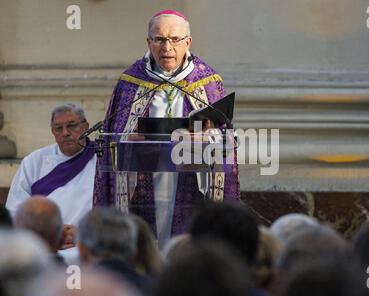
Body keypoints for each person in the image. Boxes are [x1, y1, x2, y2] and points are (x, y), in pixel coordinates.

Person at [93, 10, 240, 248]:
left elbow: (225, 139)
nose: (167, 47)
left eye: (175, 39)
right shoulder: (130, 82)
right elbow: (115, 132)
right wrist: (127, 138)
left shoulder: (207, 81)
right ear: (148, 42)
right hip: (142, 178)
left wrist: (207, 137)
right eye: (159, 39)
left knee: (185, 241)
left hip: (190, 178)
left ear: (188, 42)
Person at [6, 103, 96, 257]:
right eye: (58, 128)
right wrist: (48, 234)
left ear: (85, 126)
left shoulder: (102, 159)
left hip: (84, 247)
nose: (65, 133)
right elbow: (14, 210)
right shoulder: (34, 161)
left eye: (72, 125)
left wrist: (82, 234)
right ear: (52, 131)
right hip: (41, 248)